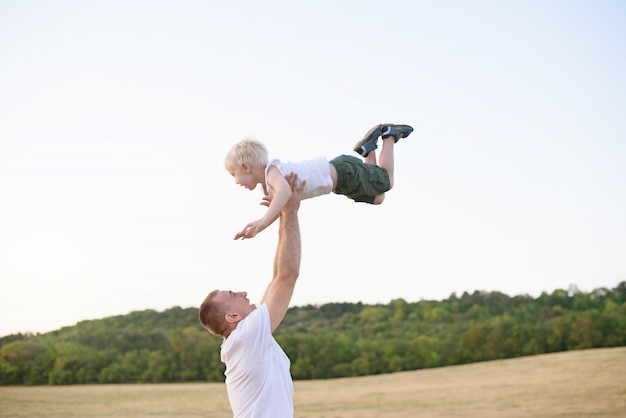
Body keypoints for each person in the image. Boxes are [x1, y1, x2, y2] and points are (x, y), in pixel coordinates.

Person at [198, 173, 304, 418]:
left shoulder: (245, 338)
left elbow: (277, 276)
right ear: (233, 316)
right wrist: (291, 211)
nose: (244, 292)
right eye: (234, 294)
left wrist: (282, 216)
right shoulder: (247, 336)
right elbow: (287, 277)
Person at [225, 123, 414, 240]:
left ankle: (389, 135)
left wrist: (262, 222)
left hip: (344, 172)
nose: (236, 182)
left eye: (234, 175)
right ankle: (369, 149)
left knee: (386, 182)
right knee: (378, 197)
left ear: (246, 167)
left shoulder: (272, 172)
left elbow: (285, 193)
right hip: (339, 185)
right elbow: (284, 207)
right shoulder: (269, 187)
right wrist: (260, 226)